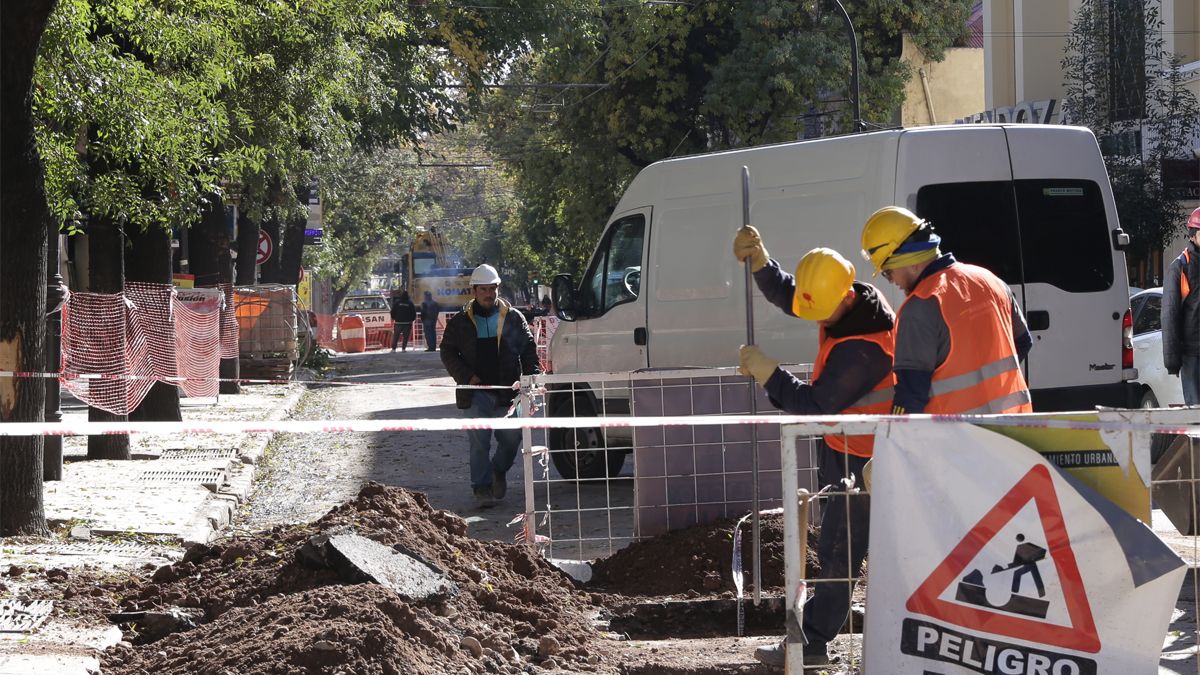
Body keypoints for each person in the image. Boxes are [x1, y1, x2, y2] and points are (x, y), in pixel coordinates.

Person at [732, 227, 895, 668]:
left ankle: (814, 645)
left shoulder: (865, 349)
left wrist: (770, 374)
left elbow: (815, 405)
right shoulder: (850, 303)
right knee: (837, 549)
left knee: (841, 553)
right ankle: (818, 639)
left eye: (821, 311)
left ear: (844, 296)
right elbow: (796, 297)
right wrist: (763, 265)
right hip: (844, 448)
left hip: (865, 460)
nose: (814, 318)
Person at [860, 206, 1032, 415]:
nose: (891, 280)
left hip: (954, 431)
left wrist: (895, 431)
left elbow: (910, 394)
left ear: (911, 262)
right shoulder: (989, 280)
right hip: (1013, 424)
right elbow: (1023, 341)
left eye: (888, 272)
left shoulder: (920, 307)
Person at [440, 264, 541, 509]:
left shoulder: (513, 318)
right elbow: (447, 351)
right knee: (479, 442)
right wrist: (466, 376)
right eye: (483, 289)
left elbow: (528, 348)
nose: (488, 294)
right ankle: (482, 487)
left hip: (509, 393)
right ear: (474, 291)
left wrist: (531, 377)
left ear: (498, 289)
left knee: (512, 438)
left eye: (492, 289)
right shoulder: (461, 322)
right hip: (475, 394)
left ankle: (498, 470)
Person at [1162, 207, 1200, 405]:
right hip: (1192, 355)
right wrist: (1172, 361)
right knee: (1196, 412)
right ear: (1193, 235)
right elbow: (1170, 314)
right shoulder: (1180, 267)